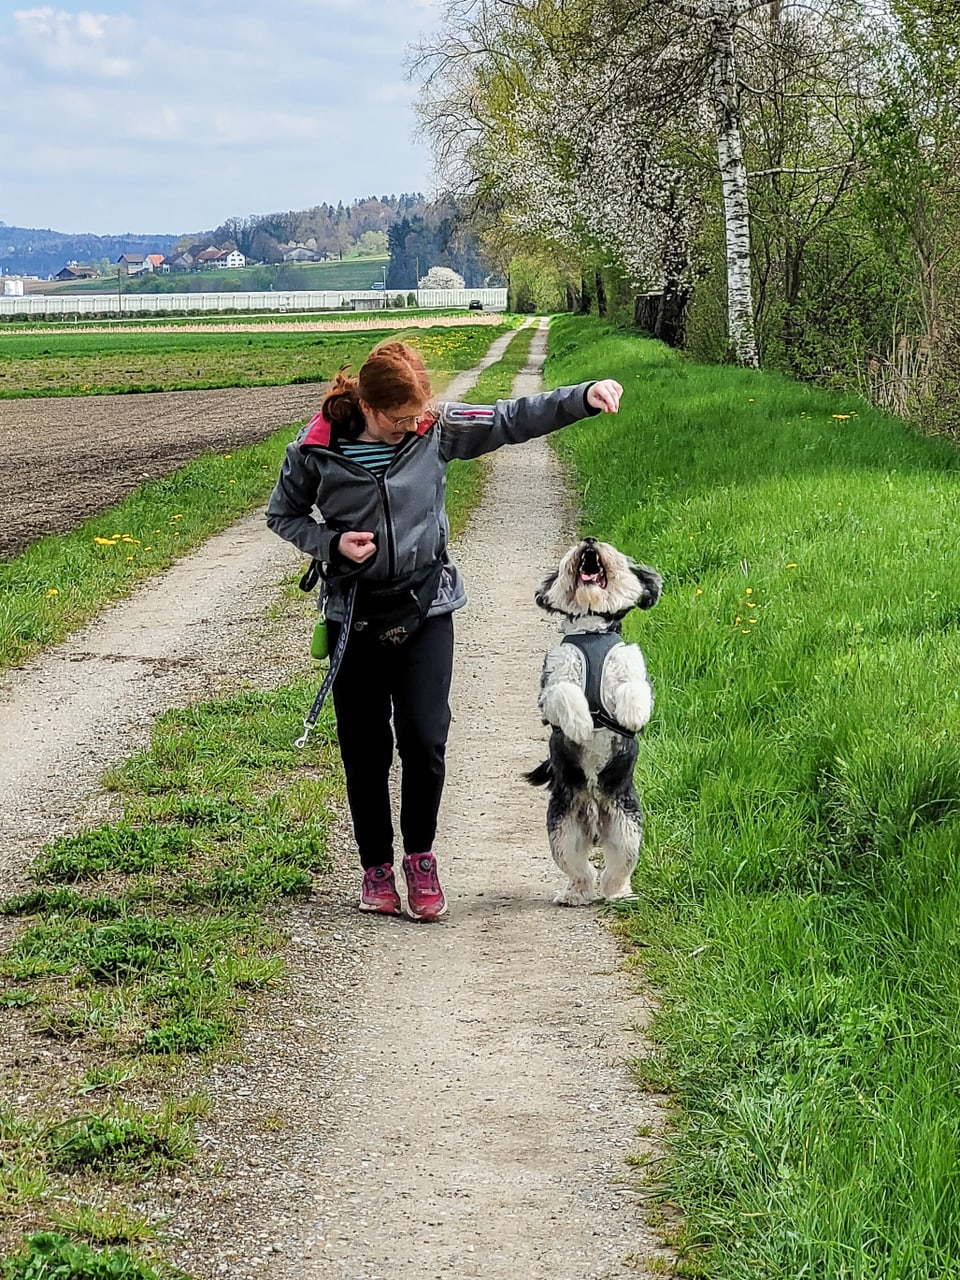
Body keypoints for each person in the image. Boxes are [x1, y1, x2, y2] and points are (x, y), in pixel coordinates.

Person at [266, 340, 623, 921]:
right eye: (401, 419)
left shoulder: (435, 429)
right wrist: (331, 543)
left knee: (426, 742)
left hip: (425, 607)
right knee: (365, 749)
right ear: (370, 408)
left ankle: (420, 859)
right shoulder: (315, 452)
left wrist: (582, 398)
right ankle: (375, 868)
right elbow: (282, 515)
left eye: (418, 415)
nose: (414, 425)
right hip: (353, 614)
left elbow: (511, 419)